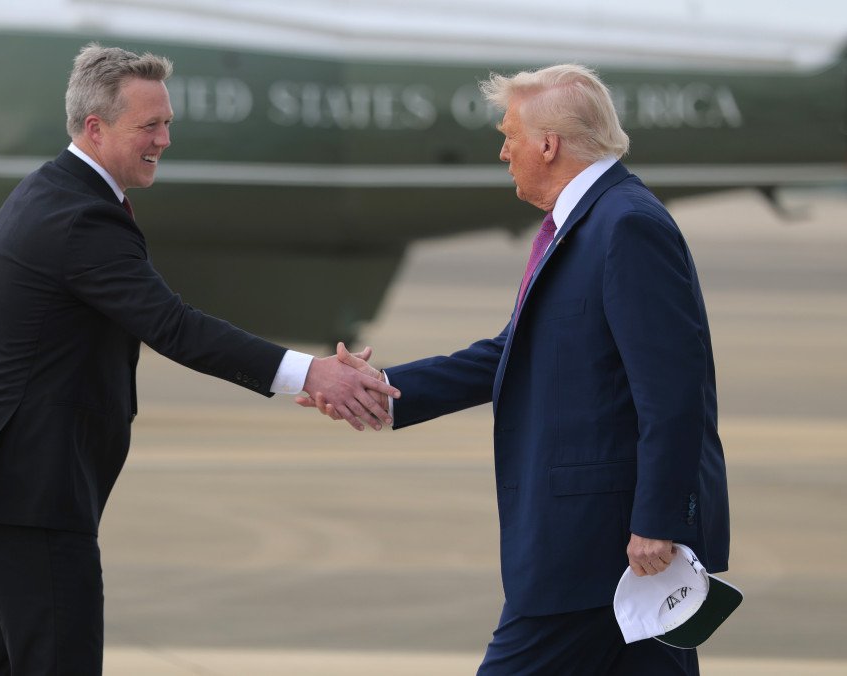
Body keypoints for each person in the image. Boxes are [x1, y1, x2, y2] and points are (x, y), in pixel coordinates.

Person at [0, 43, 398, 675]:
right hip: (35, 481)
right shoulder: (78, 218)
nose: (165, 139)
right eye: (149, 126)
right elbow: (174, 326)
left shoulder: (54, 190)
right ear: (95, 128)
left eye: (167, 122)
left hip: (11, 474)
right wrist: (309, 373)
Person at [301, 64, 729, 675]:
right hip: (607, 550)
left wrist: (658, 521)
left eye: (509, 135)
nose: (503, 152)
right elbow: (514, 352)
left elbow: (674, 392)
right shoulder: (585, 224)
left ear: (548, 144)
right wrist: (387, 391)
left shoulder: (625, 225)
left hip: (603, 546)